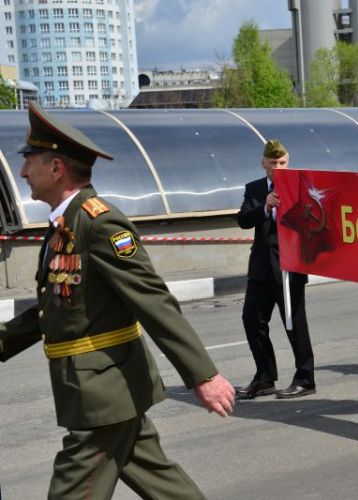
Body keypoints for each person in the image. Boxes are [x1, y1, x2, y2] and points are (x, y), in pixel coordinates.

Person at [0, 102, 235, 498]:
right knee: (164, 483)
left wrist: (203, 376)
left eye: (30, 162)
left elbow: (153, 301)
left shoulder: (99, 222)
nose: (22, 172)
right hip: (102, 388)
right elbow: (54, 310)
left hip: (102, 392)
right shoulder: (64, 225)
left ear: (56, 168)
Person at [236, 140, 316, 400]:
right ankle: (265, 376)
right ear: (263, 163)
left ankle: (305, 379)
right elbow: (243, 221)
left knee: (295, 325)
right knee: (252, 320)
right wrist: (264, 206)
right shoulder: (255, 189)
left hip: (289, 266)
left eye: (283, 163)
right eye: (273, 163)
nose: (278, 167)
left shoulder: (300, 187)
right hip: (261, 268)